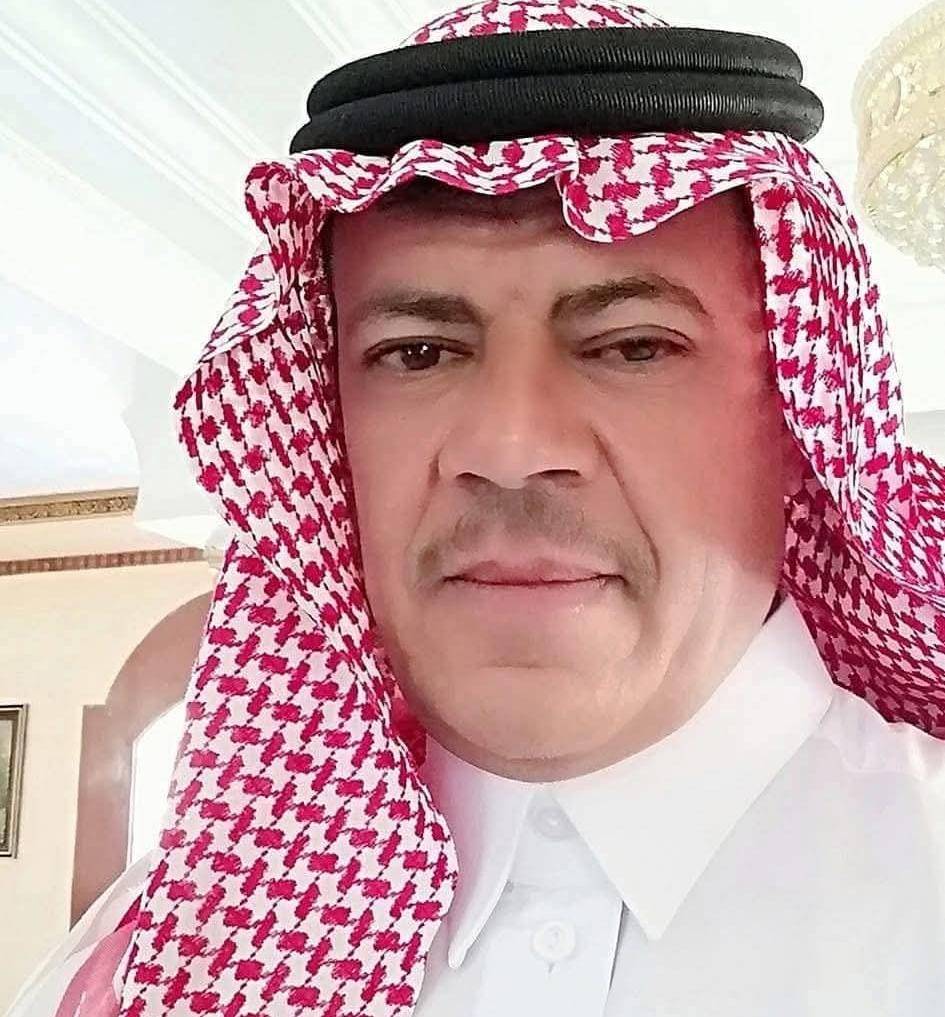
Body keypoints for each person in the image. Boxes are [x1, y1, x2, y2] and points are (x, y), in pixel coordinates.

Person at [9, 1, 945, 1015]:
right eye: (417, 353)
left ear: (800, 418)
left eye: (633, 344)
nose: (509, 449)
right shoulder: (139, 969)